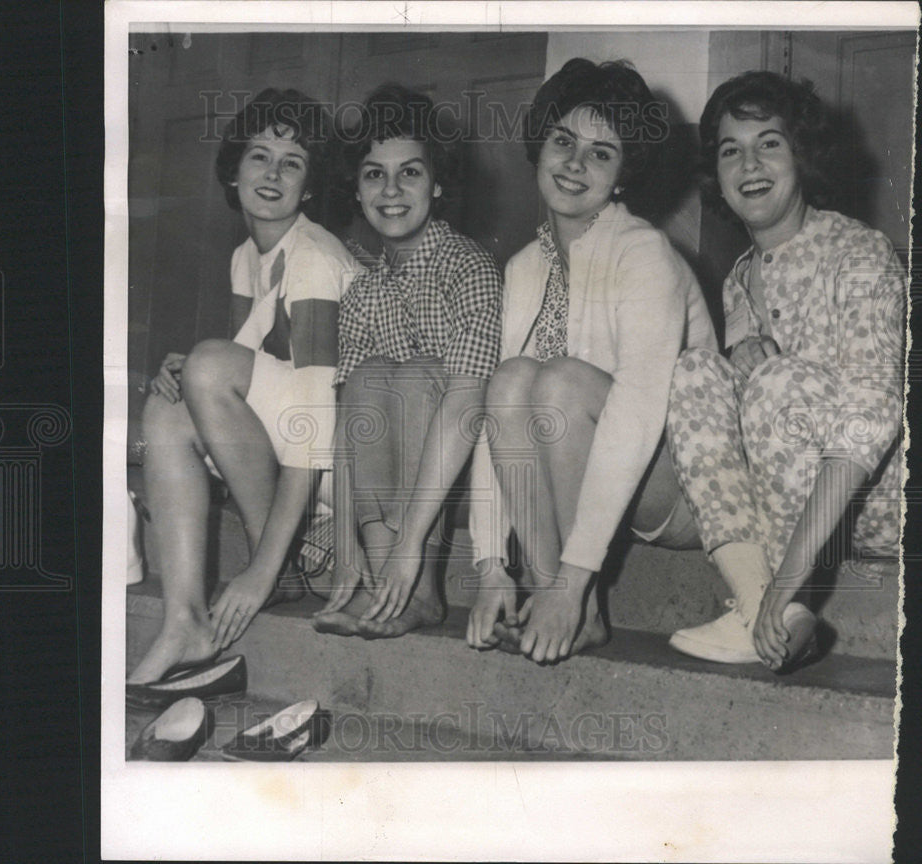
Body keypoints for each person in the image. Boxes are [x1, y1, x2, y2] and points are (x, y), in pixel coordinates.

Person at [465, 58, 717, 664]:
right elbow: (501, 421)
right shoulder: (525, 266)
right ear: (540, 146)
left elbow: (634, 413)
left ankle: (573, 595)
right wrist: (491, 565)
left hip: (682, 485)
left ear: (625, 174)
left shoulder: (644, 252)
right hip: (584, 480)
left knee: (558, 383)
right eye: (563, 141)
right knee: (509, 380)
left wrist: (578, 576)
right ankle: (554, 595)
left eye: (602, 154)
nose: (575, 164)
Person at [665, 71, 905, 671]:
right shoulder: (736, 282)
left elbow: (868, 421)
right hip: (786, 506)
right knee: (694, 369)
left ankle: (775, 602)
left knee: (777, 382)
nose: (749, 163)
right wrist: (736, 362)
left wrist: (789, 578)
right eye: (730, 149)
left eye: (768, 142)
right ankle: (763, 616)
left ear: (801, 154)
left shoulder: (859, 251)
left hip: (878, 497)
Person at [128, 89, 358, 684]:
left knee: (206, 366)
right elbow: (242, 373)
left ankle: (278, 564)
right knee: (167, 402)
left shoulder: (311, 256)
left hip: (350, 461)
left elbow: (315, 418)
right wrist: (188, 374)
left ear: (310, 187)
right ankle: (185, 620)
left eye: (293, 161)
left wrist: (259, 568)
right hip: (297, 458)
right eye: (260, 155)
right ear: (234, 171)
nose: (273, 173)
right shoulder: (244, 257)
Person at [313, 83, 503, 640]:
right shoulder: (364, 290)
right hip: (395, 493)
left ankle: (417, 588)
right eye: (374, 174)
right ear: (356, 188)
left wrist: (411, 543)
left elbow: (468, 402)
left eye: (410, 173)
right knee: (367, 376)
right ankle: (381, 581)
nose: (391, 189)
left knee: (422, 372)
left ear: (438, 183)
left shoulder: (468, 267)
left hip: (478, 466)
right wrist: (349, 546)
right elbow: (350, 429)